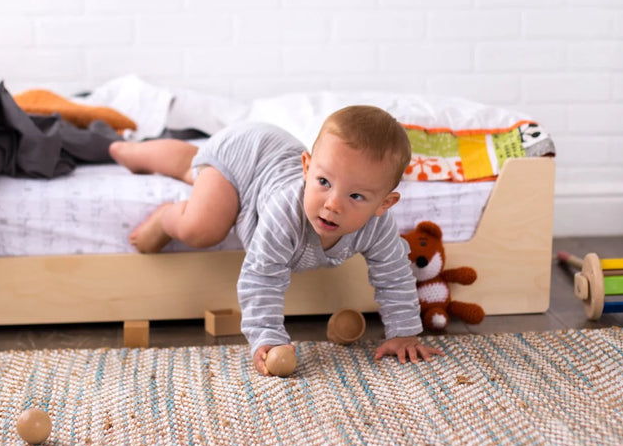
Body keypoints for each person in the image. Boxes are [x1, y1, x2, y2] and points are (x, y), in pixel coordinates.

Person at [109, 105, 444, 376]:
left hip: (266, 159)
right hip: (244, 156)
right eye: (323, 181)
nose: (332, 203)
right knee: (204, 225)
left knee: (192, 169)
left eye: (356, 195)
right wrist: (266, 337)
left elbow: (394, 274)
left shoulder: (379, 226)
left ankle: (161, 156)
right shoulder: (286, 212)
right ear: (307, 168)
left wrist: (403, 332)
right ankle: (163, 209)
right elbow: (262, 276)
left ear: (384, 204)